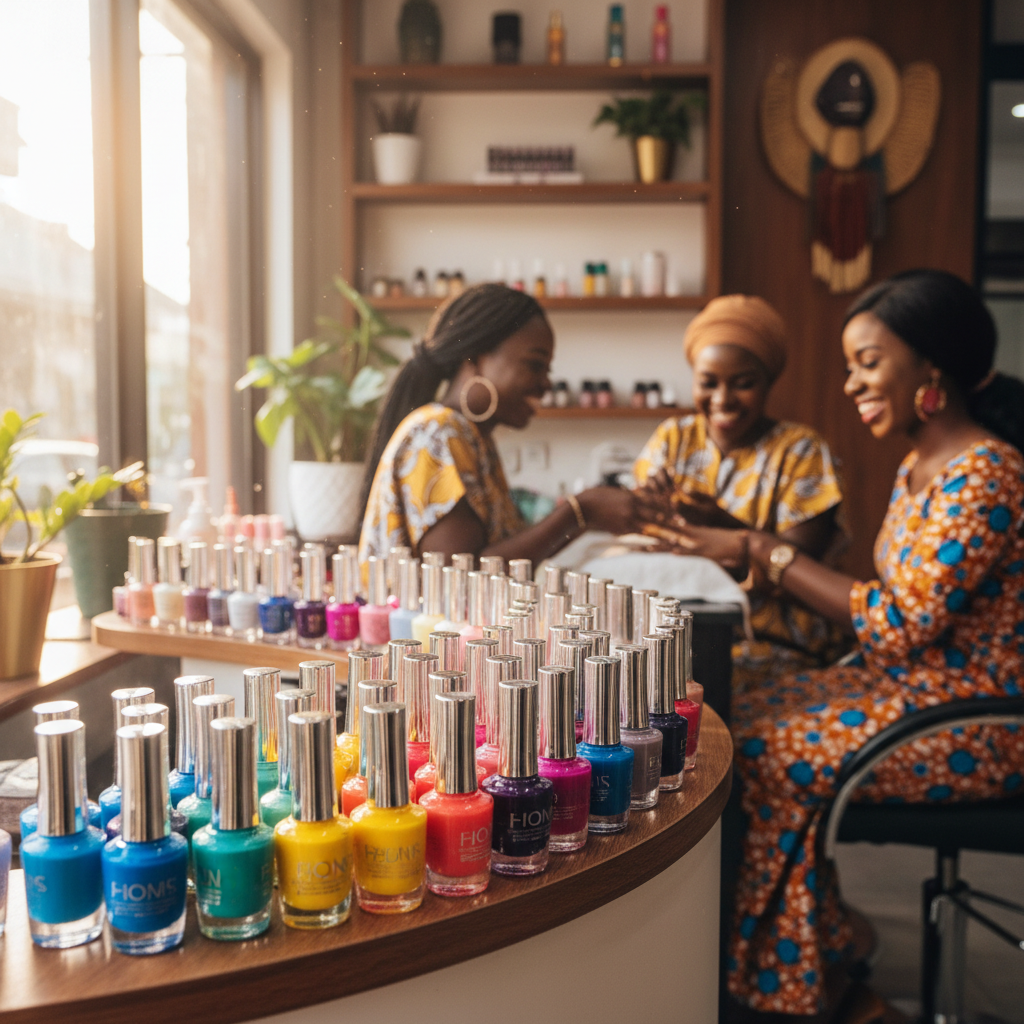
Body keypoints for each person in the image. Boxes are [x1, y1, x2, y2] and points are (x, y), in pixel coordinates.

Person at [664, 271, 1024, 1019]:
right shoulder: (920, 465)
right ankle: (825, 957)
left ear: (930, 368)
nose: (853, 380)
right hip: (910, 692)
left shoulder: (988, 474)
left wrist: (768, 551)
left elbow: (896, 624)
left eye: (868, 360)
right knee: (735, 720)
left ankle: (794, 988)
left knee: (756, 755)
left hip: (974, 722)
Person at [634, 294, 848, 686]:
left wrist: (717, 521)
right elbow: (642, 530)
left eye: (743, 384)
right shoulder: (673, 438)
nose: (722, 400)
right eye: (708, 383)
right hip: (677, 638)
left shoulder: (801, 451)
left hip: (772, 643)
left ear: (769, 381)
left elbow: (794, 564)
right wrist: (649, 507)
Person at [358, 283, 639, 566]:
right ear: (475, 358)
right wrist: (579, 512)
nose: (546, 384)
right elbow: (460, 578)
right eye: (534, 365)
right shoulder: (437, 433)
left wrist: (587, 517)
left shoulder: (470, 437)